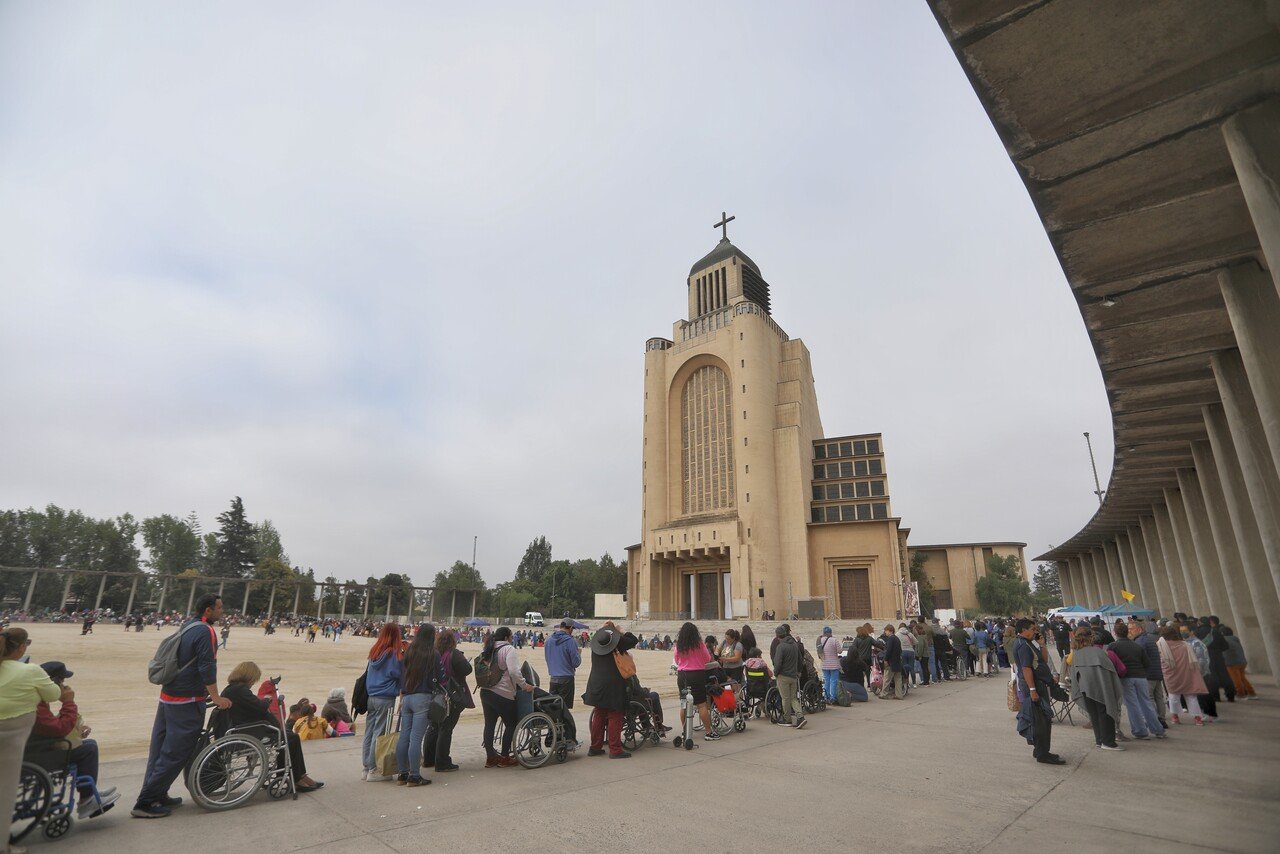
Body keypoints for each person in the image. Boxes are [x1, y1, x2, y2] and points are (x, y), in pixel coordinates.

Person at [132, 593, 230, 819]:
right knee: (177, 752)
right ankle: (146, 801)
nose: (221, 612)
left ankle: (158, 792)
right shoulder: (206, 631)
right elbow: (207, 667)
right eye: (219, 608)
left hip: (168, 696)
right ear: (208, 610)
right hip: (186, 701)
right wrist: (215, 696)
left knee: (159, 749)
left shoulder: (189, 625)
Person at [31, 661, 121, 817]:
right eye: (62, 681)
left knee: (89, 743)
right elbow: (58, 729)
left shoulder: (34, 698)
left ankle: (88, 792)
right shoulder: (36, 705)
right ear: (52, 683)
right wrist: (68, 703)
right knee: (89, 749)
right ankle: (86, 800)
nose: (64, 685)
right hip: (40, 755)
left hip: (37, 748)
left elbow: (52, 727)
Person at [2, 628, 62, 854]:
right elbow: (53, 695)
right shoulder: (30, 670)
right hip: (10, 736)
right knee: (4, 791)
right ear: (21, 647)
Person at [221, 662, 323, 791]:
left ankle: (299, 776)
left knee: (290, 736)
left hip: (245, 728)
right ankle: (295, 778)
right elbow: (259, 706)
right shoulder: (240, 690)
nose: (254, 682)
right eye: (254, 679)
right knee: (291, 738)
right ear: (249, 676)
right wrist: (267, 700)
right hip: (252, 730)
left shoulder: (230, 689)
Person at [479, 626, 534, 768]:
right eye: (510, 636)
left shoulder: (488, 649)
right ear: (506, 638)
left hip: (485, 692)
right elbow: (515, 672)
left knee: (489, 724)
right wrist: (524, 685)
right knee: (511, 724)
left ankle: (490, 757)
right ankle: (504, 757)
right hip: (502, 693)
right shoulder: (508, 649)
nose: (511, 639)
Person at [1013, 618, 1062, 765]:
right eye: (1033, 629)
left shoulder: (1030, 643)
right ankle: (1042, 753)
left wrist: (1042, 645)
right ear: (1023, 630)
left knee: (1042, 719)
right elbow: (1026, 668)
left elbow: (1044, 660)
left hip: (1039, 684)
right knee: (1041, 720)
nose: (1035, 632)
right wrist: (1033, 690)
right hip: (1033, 686)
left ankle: (1040, 750)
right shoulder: (1022, 645)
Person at [395, 623, 438, 786]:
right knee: (416, 738)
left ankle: (402, 773)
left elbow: (402, 674)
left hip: (407, 696)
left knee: (404, 735)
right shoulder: (432, 653)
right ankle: (414, 775)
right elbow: (440, 677)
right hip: (423, 697)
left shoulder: (409, 651)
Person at [1068, 627, 1124, 751]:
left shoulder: (1076, 654)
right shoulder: (1098, 652)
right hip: (1101, 688)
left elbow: (1074, 673)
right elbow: (1109, 672)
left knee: (1094, 715)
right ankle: (1108, 742)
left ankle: (1099, 740)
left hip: (1084, 689)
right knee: (1105, 714)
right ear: (1091, 638)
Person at [423, 629, 472, 772]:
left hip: (435, 693)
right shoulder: (454, 654)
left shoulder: (433, 653)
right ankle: (442, 761)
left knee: (434, 726)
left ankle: (428, 759)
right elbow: (467, 669)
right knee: (446, 727)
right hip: (451, 693)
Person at [1107, 623, 1164, 740]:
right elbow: (1147, 663)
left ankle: (1140, 731)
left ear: (1115, 633)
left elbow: (1109, 661)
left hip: (1126, 678)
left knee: (1132, 705)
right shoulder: (1137, 645)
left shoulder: (1113, 646)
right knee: (1146, 703)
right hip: (1141, 677)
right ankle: (1158, 729)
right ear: (1127, 632)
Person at [584, 625, 634, 758]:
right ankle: (615, 749)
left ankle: (595, 747)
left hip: (596, 684)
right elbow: (633, 640)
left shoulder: (596, 648)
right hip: (613, 685)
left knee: (599, 714)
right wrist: (621, 631)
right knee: (615, 715)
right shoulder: (617, 644)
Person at [362, 623, 404, 782]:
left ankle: (366, 767)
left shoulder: (375, 651)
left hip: (371, 696)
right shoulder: (392, 654)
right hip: (385, 697)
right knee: (380, 734)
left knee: (369, 732)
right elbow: (398, 674)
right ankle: (374, 769)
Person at [673, 622, 719, 742]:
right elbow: (707, 658)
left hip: (682, 675)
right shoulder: (699, 644)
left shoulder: (679, 645)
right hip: (697, 675)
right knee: (701, 704)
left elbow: (677, 660)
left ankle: (685, 731)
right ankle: (708, 732)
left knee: (684, 703)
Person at [1158, 624, 1208, 725]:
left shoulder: (1161, 645)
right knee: (1191, 696)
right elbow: (1192, 658)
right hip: (1186, 672)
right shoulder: (1184, 644)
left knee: (1173, 696)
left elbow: (1161, 661)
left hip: (1171, 674)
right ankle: (1197, 718)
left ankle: (1175, 717)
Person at [544, 619, 581, 747]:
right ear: (570, 628)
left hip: (553, 678)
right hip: (566, 679)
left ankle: (552, 734)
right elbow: (576, 662)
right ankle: (565, 737)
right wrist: (579, 654)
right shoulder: (570, 641)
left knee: (554, 709)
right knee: (564, 710)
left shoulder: (548, 640)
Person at [1129, 619, 1168, 729]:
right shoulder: (1150, 639)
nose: (1130, 632)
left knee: (1149, 698)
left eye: (1131, 629)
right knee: (1159, 697)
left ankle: (1153, 720)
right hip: (1157, 673)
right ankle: (1162, 719)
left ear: (1139, 629)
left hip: (1148, 674)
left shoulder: (1140, 642)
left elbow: (1140, 659)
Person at [770, 624, 806, 729]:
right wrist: (798, 671)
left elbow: (777, 663)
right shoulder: (794, 644)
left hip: (783, 676)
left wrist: (776, 673)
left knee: (785, 698)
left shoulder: (781, 646)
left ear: (777, 636)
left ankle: (787, 719)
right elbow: (800, 660)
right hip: (793, 676)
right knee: (793, 698)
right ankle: (800, 716)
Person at [1221, 626, 1256, 700]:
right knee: (1242, 678)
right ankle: (1252, 693)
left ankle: (1240, 694)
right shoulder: (1235, 639)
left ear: (1222, 633)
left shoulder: (1224, 640)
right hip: (1242, 662)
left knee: (1236, 680)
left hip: (1232, 663)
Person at [879, 625, 904, 700]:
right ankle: (899, 694)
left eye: (886, 630)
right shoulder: (897, 639)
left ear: (890, 631)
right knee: (898, 679)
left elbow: (888, 650)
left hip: (891, 662)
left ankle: (884, 694)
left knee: (887, 679)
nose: (885, 632)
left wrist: (886, 659)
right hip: (897, 661)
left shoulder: (890, 639)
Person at [816, 627, 841, 701]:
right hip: (834, 664)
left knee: (826, 680)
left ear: (823, 633)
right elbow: (839, 651)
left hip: (824, 664)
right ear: (831, 633)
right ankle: (833, 697)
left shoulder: (819, 640)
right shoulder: (834, 640)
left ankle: (826, 696)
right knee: (834, 681)